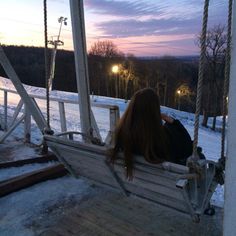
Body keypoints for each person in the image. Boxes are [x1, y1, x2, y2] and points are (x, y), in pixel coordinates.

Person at [109, 88, 193, 178]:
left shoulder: (123, 133)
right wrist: (174, 123)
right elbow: (188, 149)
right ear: (155, 110)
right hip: (164, 187)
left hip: (136, 185)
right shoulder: (163, 137)